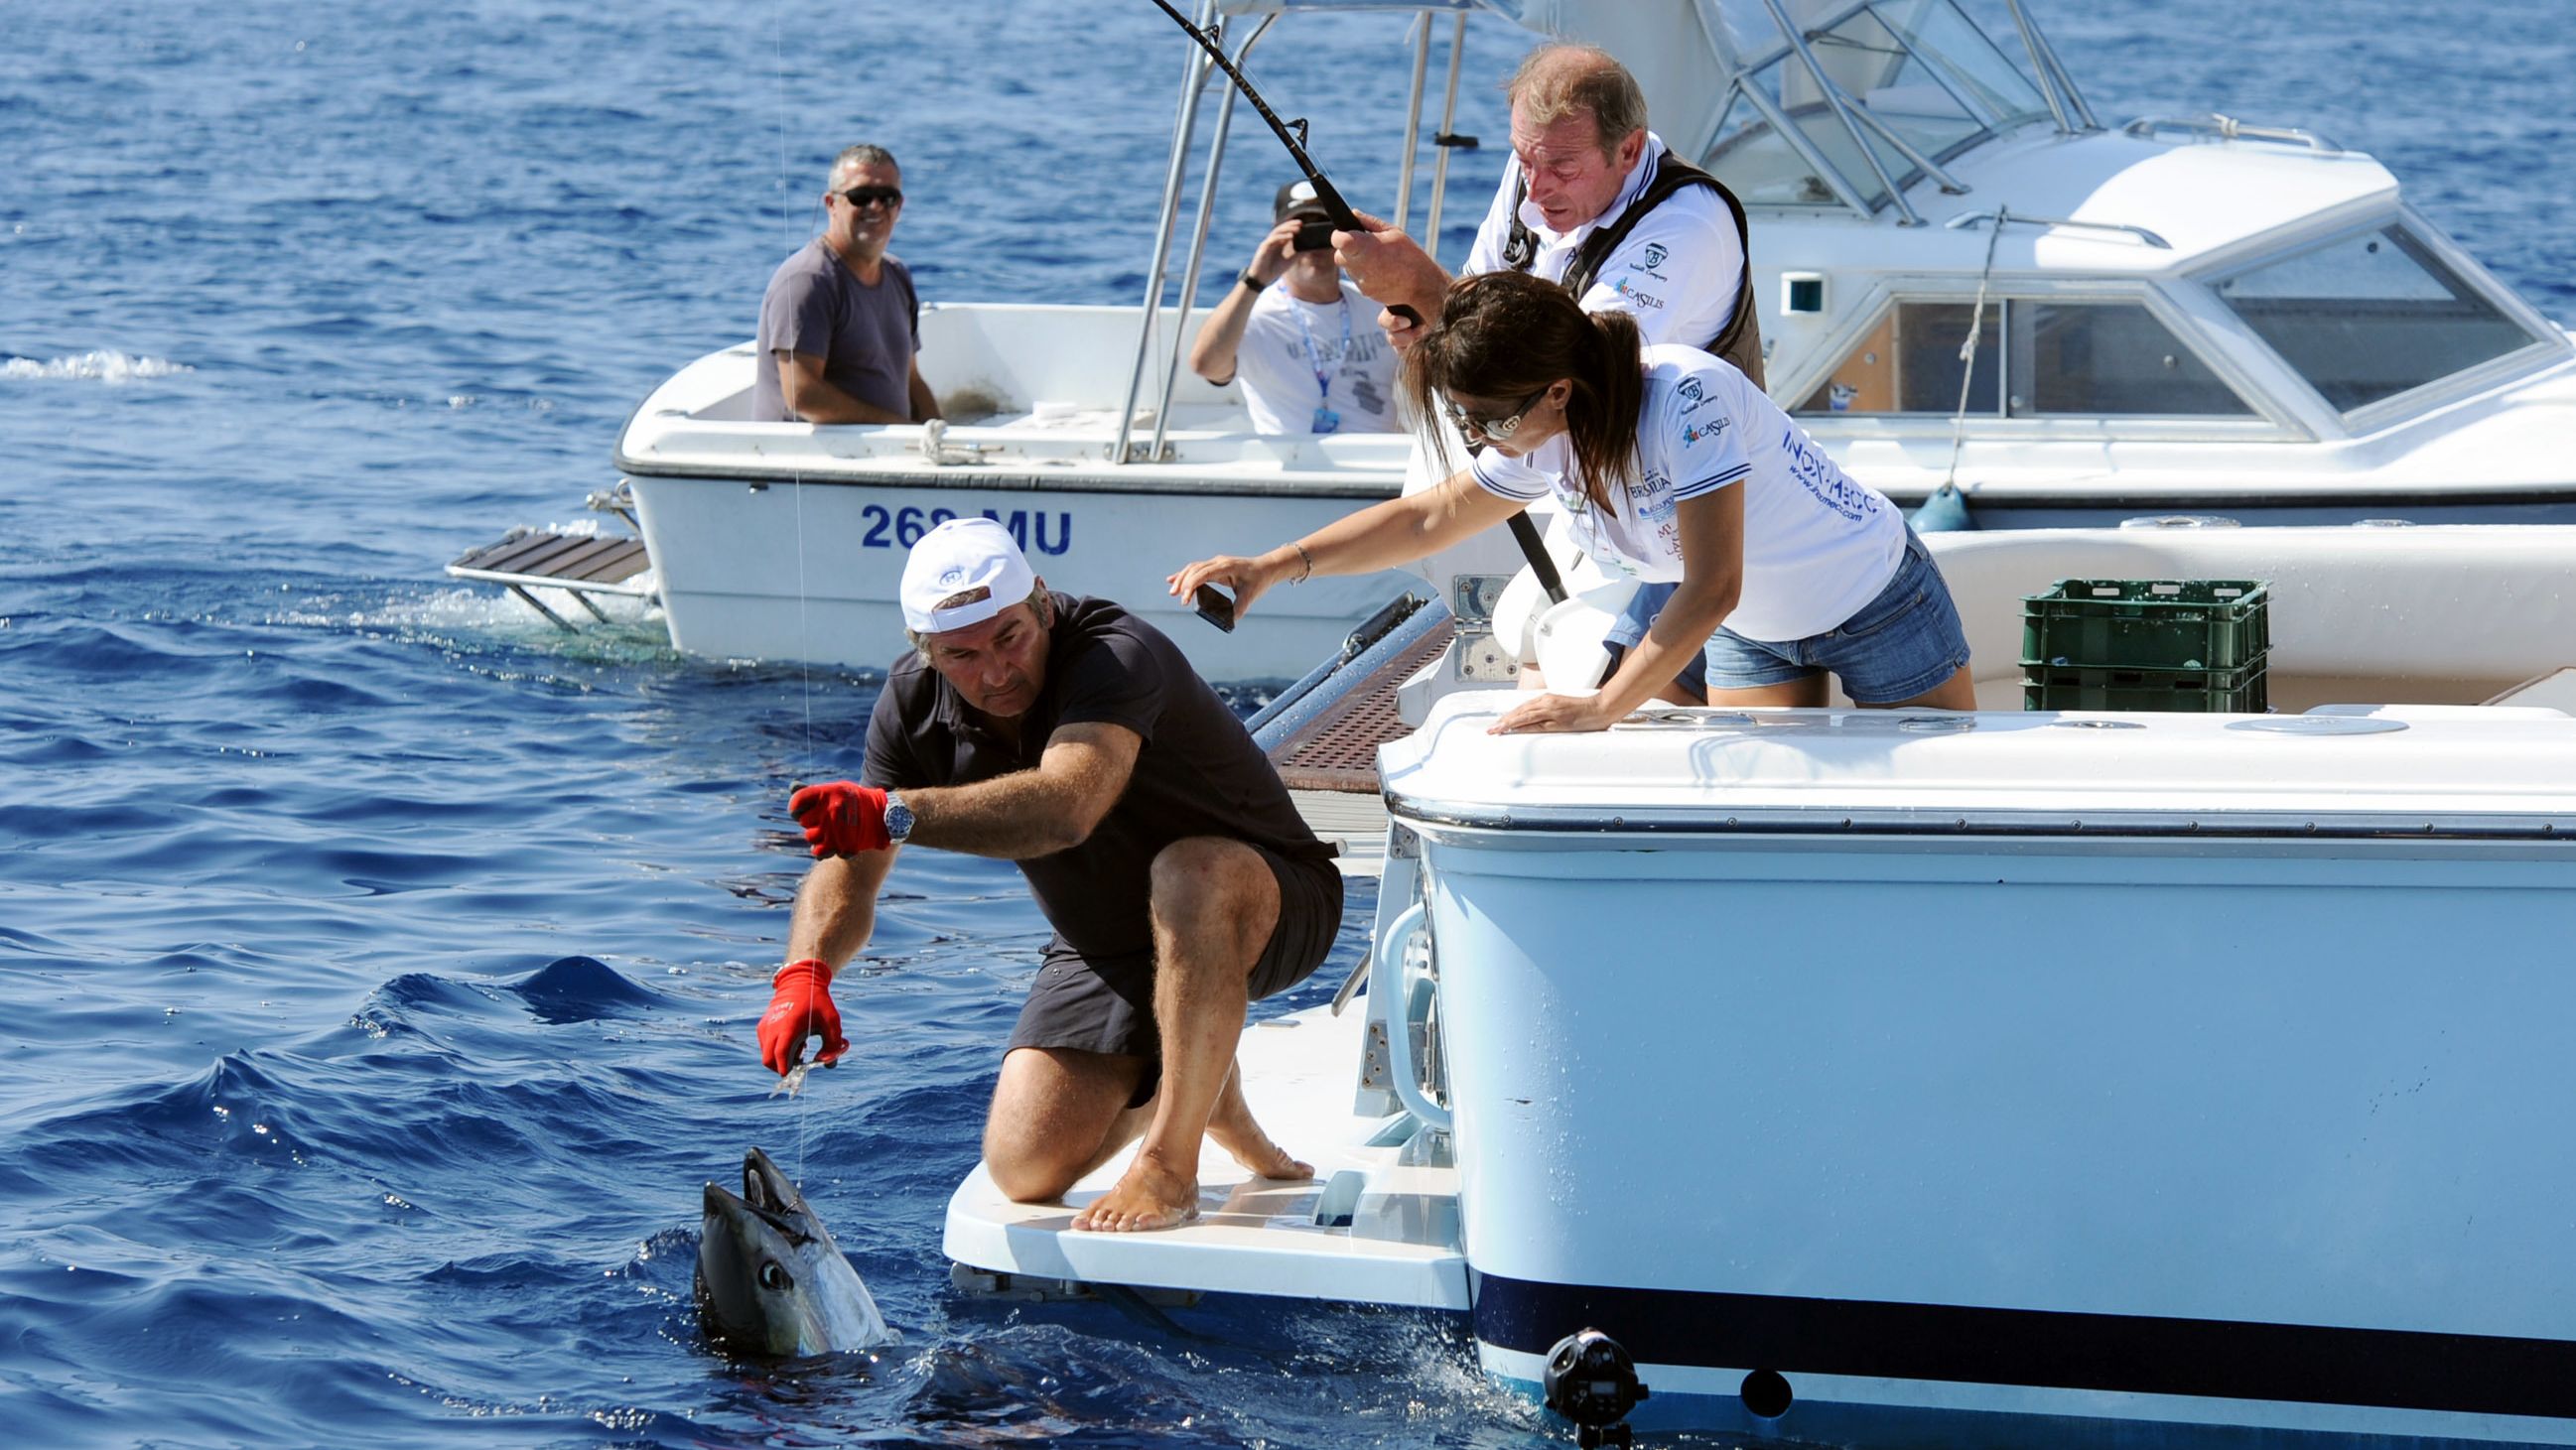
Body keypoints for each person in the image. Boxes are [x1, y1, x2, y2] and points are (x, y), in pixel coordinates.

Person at [760, 517, 1345, 1234]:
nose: (995, 670)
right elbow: (851, 869)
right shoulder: (909, 706)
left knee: (1190, 872)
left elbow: (1068, 807)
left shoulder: (1113, 653)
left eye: (1010, 636)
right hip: (1107, 943)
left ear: (1040, 599)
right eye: (962, 655)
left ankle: (1169, 1167)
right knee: (1022, 1169)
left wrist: (897, 812)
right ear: (926, 652)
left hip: (1269, 899)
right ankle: (1202, 1087)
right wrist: (804, 974)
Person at [1169, 271, 1975, 728]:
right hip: (1753, 630)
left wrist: (1600, 707)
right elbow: (1427, 517)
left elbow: (1709, 582)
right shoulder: (1544, 434)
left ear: (1558, 389)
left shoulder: (1685, 396)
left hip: (1873, 600)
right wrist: (1274, 565)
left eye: (1486, 417)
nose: (1475, 435)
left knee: (1947, 818)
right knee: (1771, 821)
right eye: (1462, 416)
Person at [1332, 44, 1765, 700]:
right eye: (1523, 158)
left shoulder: (1683, 225)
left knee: (1597, 676)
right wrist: (1433, 326)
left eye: (1561, 164)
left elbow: (1562, 372)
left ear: (1628, 151)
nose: (1535, 189)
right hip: (1585, 491)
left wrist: (1424, 290)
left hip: (1681, 515)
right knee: (1525, 636)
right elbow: (1479, 303)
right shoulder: (1536, 175)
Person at [1186, 181, 1403, 436]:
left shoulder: (1378, 305)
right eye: (1301, 234)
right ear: (1277, 236)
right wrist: (1256, 278)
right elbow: (1206, 365)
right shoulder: (1254, 315)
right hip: (1296, 463)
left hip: (1381, 457)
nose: (1314, 246)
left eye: (1322, 230)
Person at [750, 143, 941, 426]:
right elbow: (802, 396)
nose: (875, 207)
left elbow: (911, 379)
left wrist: (940, 434)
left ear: (899, 206)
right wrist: (897, 428)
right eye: (860, 196)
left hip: (886, 452)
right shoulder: (808, 281)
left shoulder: (897, 274)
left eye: (887, 197)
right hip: (815, 462)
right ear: (831, 204)